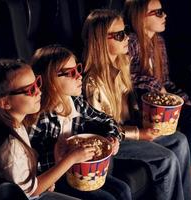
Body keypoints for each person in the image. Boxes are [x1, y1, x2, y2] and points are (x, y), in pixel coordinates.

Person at [82, 9, 191, 200]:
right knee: (167, 159)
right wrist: (138, 133)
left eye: (124, 31)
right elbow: (100, 130)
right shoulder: (93, 83)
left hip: (129, 128)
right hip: (113, 140)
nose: (127, 38)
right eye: (119, 35)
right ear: (101, 41)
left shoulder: (122, 64)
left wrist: (147, 119)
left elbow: (129, 105)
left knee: (180, 140)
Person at [123, 0, 191, 198]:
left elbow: (165, 80)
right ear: (141, 17)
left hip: (163, 98)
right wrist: (158, 87)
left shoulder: (158, 42)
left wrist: (182, 98)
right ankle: (190, 178)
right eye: (158, 12)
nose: (165, 16)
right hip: (145, 105)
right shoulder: (130, 41)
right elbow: (127, 77)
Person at [29, 45, 132, 200]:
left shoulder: (76, 102)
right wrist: (61, 157)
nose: (79, 76)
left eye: (78, 69)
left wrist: (113, 137)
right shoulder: (39, 117)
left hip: (80, 170)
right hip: (54, 177)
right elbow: (29, 164)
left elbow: (107, 120)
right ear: (49, 78)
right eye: (70, 73)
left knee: (123, 189)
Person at [0, 59, 80, 200]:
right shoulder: (11, 146)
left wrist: (45, 180)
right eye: (30, 90)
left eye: (37, 83)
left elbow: (28, 179)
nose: (39, 91)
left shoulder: (16, 124)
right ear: (5, 103)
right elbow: (30, 192)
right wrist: (72, 158)